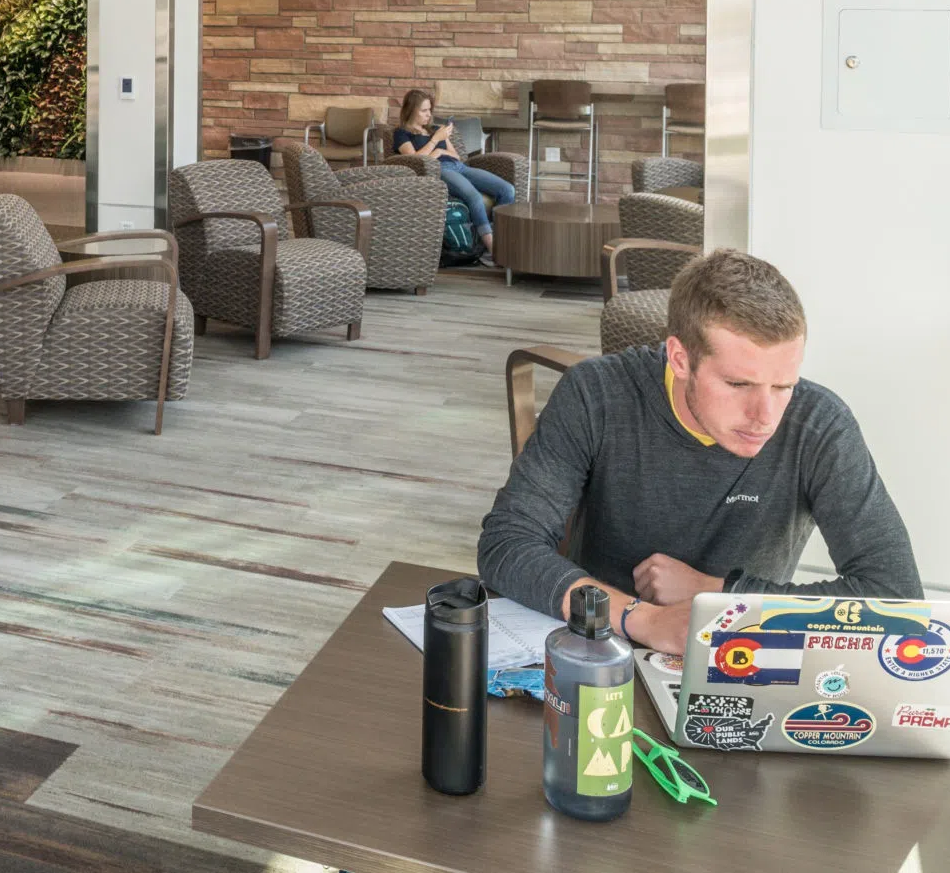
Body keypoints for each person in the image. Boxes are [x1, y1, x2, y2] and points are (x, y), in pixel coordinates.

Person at [477, 249, 921, 654]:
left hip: (747, 657)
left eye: (783, 386)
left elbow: (896, 596)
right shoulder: (597, 394)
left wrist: (717, 594)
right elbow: (507, 544)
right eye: (738, 384)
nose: (765, 415)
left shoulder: (819, 424)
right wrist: (643, 618)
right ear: (680, 359)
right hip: (600, 644)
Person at [390, 88, 513, 264]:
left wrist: (439, 147)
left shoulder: (435, 129)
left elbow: (456, 155)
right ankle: (493, 250)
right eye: (424, 110)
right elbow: (416, 161)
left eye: (429, 110)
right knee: (475, 197)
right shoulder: (402, 133)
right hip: (440, 170)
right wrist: (436, 145)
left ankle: (494, 243)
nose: (428, 114)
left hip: (459, 166)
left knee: (507, 189)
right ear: (411, 110)